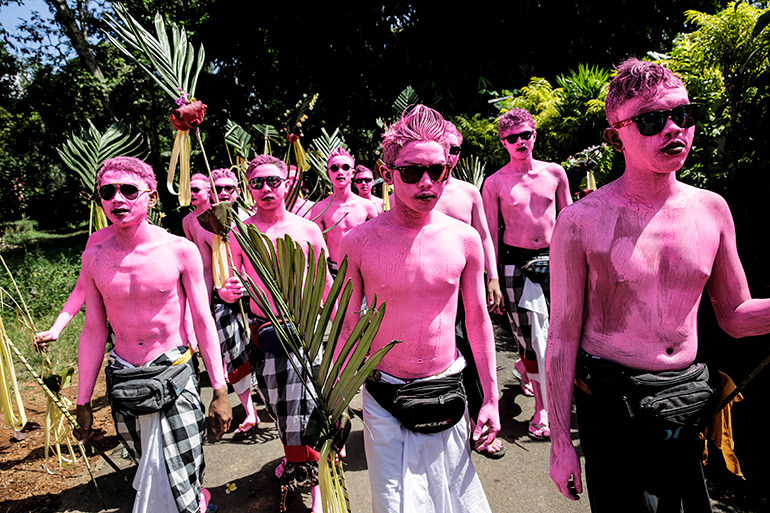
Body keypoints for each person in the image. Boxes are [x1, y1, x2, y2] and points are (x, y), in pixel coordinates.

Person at [547, 58, 770, 512]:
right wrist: (559, 444)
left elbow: (734, 316)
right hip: (614, 412)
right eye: (652, 120)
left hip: (685, 405)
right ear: (617, 134)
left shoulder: (712, 210)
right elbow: (562, 336)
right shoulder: (580, 222)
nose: (673, 129)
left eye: (682, 115)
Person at [338, 104, 500, 512]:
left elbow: (478, 322)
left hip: (446, 388)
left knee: (454, 501)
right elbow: (345, 325)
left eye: (438, 171)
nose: (426, 182)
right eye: (411, 172)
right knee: (396, 505)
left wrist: (491, 399)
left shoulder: (464, 240)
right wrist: (335, 402)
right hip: (383, 394)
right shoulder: (358, 242)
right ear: (387, 172)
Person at [75, 156, 232, 513]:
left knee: (184, 477)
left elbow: (204, 321)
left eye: (129, 190)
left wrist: (220, 391)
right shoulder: (95, 256)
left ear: (152, 196)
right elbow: (94, 329)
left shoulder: (179, 250)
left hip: (175, 376)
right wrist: (83, 402)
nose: (118, 199)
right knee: (149, 473)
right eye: (108, 192)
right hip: (126, 381)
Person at [219, 154, 332, 513]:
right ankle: (294, 459)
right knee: (282, 411)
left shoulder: (307, 229)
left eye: (273, 181)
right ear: (248, 188)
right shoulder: (240, 232)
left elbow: (325, 282)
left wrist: (342, 328)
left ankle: (318, 487)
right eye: (257, 183)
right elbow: (228, 283)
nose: (266, 189)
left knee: (313, 409)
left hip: (306, 333)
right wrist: (229, 292)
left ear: (286, 184)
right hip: (266, 335)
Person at [481, 107, 572, 441]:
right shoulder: (495, 183)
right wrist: (492, 277)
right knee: (528, 339)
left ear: (535, 135)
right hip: (514, 263)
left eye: (525, 135)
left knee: (554, 333)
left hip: (554, 259)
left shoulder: (555, 173)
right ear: (504, 143)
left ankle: (532, 380)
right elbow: (489, 232)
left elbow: (568, 219)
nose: (520, 142)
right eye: (512, 138)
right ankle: (542, 408)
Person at [435, 120, 505, 458]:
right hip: (432, 290)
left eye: (455, 149)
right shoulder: (417, 190)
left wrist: (492, 277)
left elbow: (485, 235)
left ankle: (484, 423)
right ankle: (444, 425)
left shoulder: (467, 192)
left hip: (468, 286)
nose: (449, 155)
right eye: (443, 147)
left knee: (475, 352)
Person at [183, 172, 259, 438]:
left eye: (229, 187)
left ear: (238, 190)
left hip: (257, 296)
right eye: (218, 188)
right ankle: (250, 411)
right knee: (233, 353)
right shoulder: (198, 223)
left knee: (259, 351)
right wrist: (199, 306)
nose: (224, 192)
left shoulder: (252, 218)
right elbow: (203, 268)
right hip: (222, 295)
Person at [309, 147, 378, 277]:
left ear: (352, 173)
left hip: (363, 271)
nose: (340, 172)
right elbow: (316, 246)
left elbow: (377, 242)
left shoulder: (367, 206)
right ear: (328, 173)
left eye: (345, 167)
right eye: (334, 168)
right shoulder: (320, 208)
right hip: (334, 272)